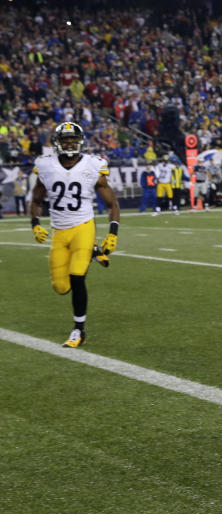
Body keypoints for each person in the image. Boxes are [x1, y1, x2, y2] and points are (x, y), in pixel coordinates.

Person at [29, 122, 119, 347]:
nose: (69, 143)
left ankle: (79, 330)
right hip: (59, 231)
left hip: (83, 226)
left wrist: (113, 233)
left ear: (80, 142)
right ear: (57, 143)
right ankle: (93, 252)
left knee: (77, 276)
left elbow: (112, 204)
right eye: (65, 139)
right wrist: (35, 224)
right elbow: (36, 199)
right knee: (61, 287)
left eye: (73, 139)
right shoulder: (46, 165)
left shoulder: (93, 165)